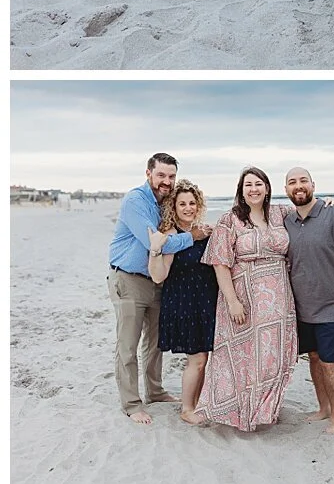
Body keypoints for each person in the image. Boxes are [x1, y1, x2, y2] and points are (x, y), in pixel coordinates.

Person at [187, 167, 299, 430]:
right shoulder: (231, 220)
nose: (254, 189)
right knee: (243, 356)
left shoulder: (281, 214)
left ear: (268, 188)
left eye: (258, 184)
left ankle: (263, 409)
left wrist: (329, 204)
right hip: (243, 298)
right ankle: (238, 412)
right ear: (241, 190)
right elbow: (220, 263)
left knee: (273, 355)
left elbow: (309, 214)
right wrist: (233, 301)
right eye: (248, 185)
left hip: (279, 298)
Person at [107, 152, 212, 424]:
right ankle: (131, 404)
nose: (166, 181)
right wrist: (193, 237)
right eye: (161, 175)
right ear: (148, 173)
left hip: (158, 283)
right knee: (128, 345)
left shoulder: (164, 203)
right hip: (128, 279)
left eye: (171, 176)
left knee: (154, 345)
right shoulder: (136, 201)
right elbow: (155, 242)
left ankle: (155, 391)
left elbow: (168, 235)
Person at [282, 167, 334, 435]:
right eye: (292, 182)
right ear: (286, 190)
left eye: (303, 180)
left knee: (331, 362)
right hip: (301, 308)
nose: (298, 186)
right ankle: (323, 408)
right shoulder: (286, 221)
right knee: (315, 358)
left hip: (332, 307)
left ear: (313, 184)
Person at [147, 178, 218, 423]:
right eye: (182, 204)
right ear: (173, 208)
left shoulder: (204, 231)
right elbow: (159, 276)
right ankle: (187, 409)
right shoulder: (170, 235)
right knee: (196, 359)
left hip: (206, 302)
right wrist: (155, 251)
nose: (188, 208)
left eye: (192, 203)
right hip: (184, 303)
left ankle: (195, 404)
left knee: (204, 358)